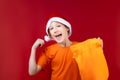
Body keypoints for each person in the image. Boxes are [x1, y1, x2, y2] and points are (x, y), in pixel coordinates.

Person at [29, 16, 109, 80]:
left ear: (67, 28)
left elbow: (93, 67)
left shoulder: (81, 47)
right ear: (50, 35)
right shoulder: (48, 51)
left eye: (58, 26)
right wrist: (33, 48)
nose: (55, 30)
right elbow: (32, 72)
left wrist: (98, 50)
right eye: (51, 28)